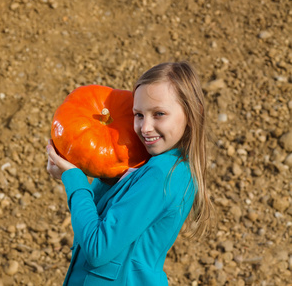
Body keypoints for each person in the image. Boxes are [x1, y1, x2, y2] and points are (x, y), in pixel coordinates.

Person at [46, 61, 212, 285]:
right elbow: (100, 217)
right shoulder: (159, 164)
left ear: (192, 115)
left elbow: (97, 248)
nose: (145, 128)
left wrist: (74, 179)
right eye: (138, 114)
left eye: (159, 114)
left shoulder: (161, 174)